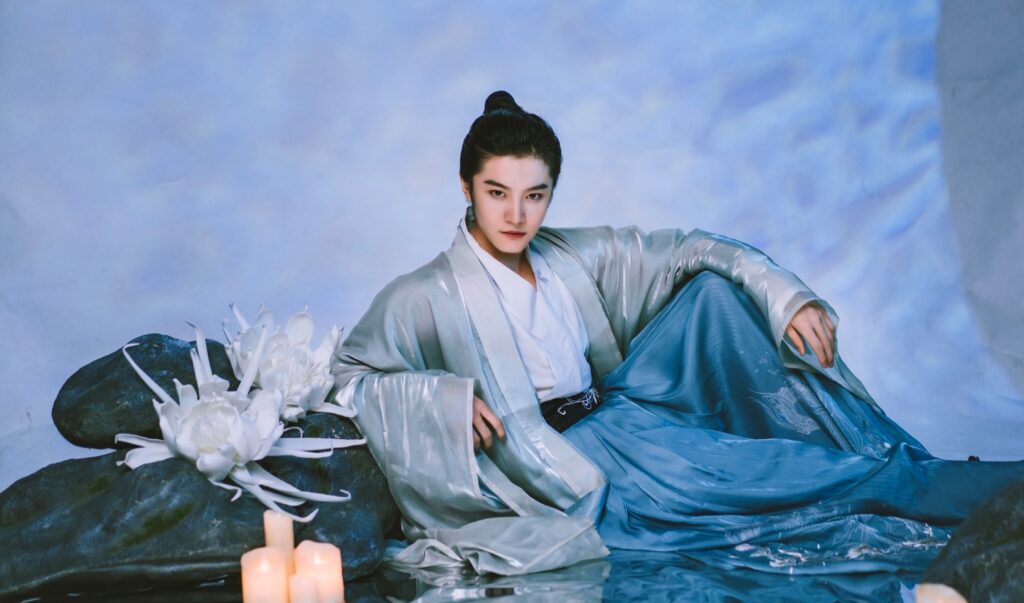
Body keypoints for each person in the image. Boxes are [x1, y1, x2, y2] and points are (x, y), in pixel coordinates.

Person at [332, 91, 1023, 576]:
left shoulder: (573, 257)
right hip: (558, 463)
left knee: (772, 411)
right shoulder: (424, 294)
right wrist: (442, 400)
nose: (517, 215)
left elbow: (692, 249)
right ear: (466, 188)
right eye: (497, 193)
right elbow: (349, 377)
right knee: (795, 490)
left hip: (627, 422)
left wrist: (784, 298)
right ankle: (981, 493)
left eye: (535, 195)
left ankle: (977, 489)